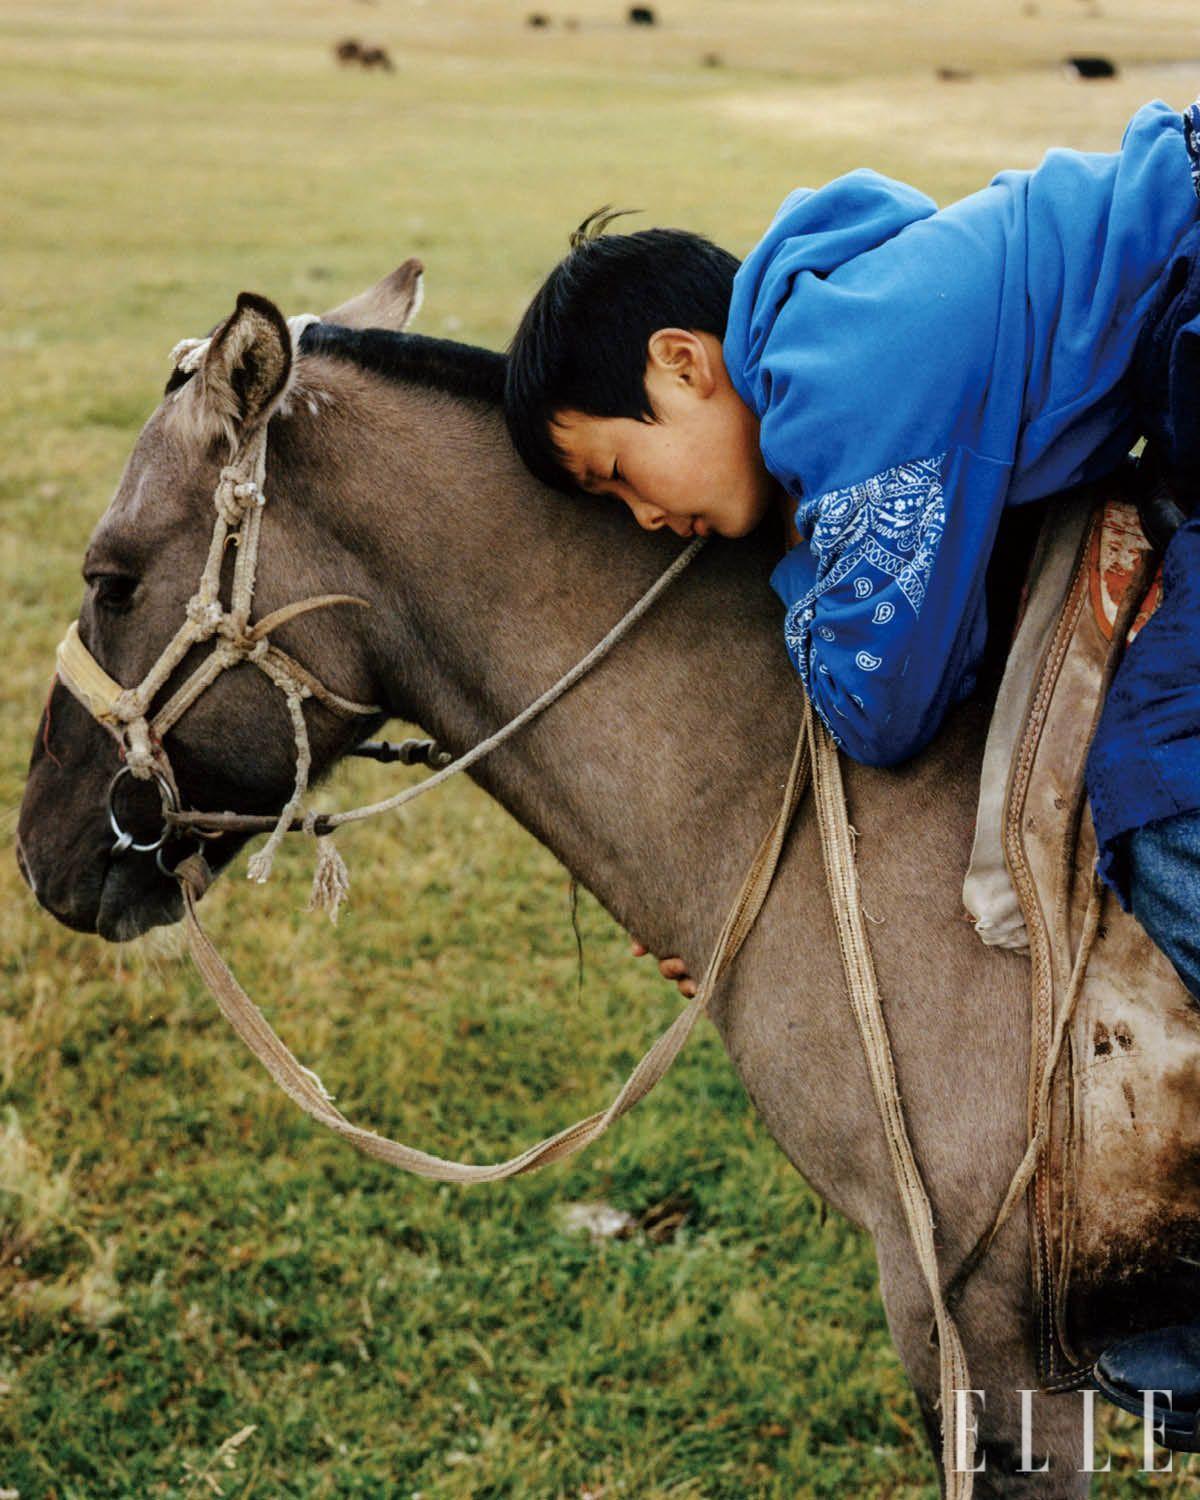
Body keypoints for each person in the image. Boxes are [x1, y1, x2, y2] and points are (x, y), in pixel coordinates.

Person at [503, 99, 1200, 1439]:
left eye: (614, 471)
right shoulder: (849, 317)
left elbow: (882, 700)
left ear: (682, 362)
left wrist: (802, 576)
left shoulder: (842, 374)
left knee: (1165, 775)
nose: (643, 515)